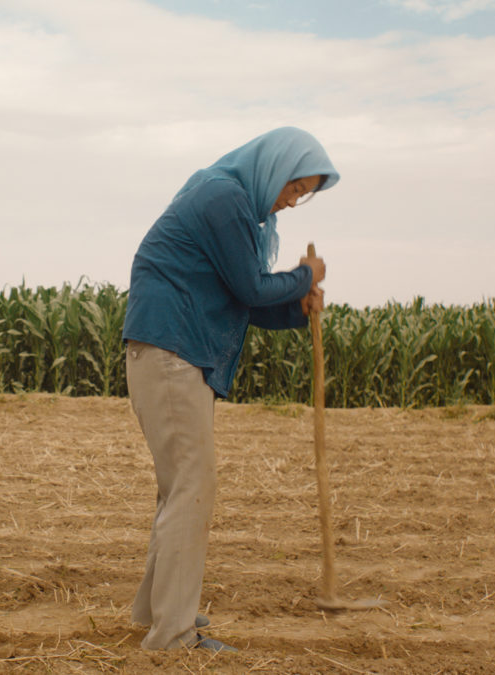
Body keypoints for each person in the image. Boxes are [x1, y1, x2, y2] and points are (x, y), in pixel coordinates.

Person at [122, 127, 338, 651]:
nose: (292, 202)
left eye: (303, 194)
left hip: (173, 352)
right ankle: (173, 635)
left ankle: (160, 611)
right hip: (173, 353)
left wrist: (297, 307)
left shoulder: (230, 201)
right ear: (273, 169)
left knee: (179, 487)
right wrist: (304, 275)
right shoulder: (224, 197)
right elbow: (250, 287)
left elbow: (242, 300)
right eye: (293, 188)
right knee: (192, 487)